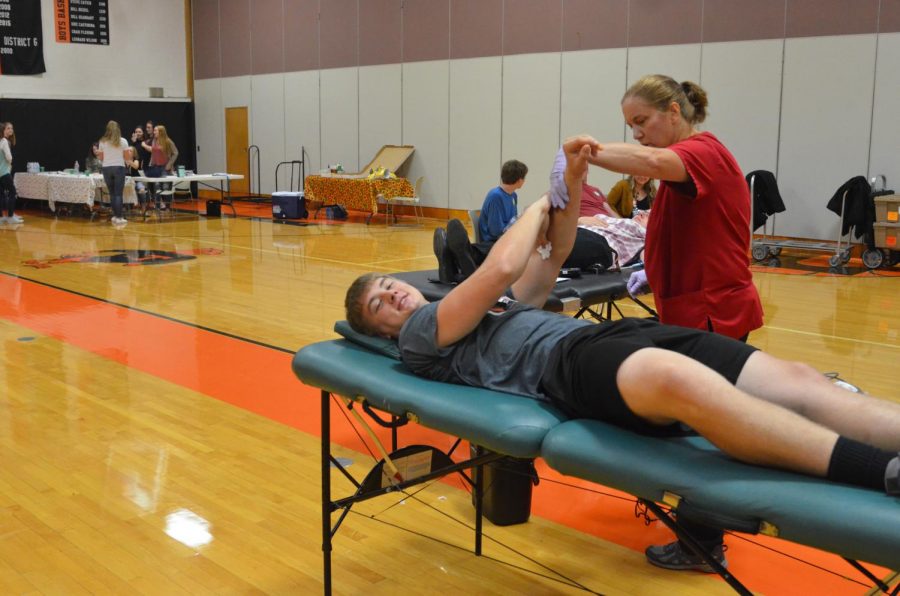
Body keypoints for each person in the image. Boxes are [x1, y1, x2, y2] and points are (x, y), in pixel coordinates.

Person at [345, 137, 900, 566]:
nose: (391, 293)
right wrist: (539, 200)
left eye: (386, 284)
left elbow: (550, 258)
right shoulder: (419, 335)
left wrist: (571, 185)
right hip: (567, 370)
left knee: (797, 379)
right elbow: (501, 267)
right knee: (677, 381)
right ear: (383, 332)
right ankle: (880, 471)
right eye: (378, 303)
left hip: (610, 339)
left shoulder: (490, 311)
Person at [559, 74, 766, 570]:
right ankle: (700, 532)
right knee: (703, 421)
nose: (639, 135)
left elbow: (652, 162)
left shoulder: (702, 153)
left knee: (706, 429)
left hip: (711, 313)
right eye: (630, 127)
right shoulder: (690, 164)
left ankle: (702, 543)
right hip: (699, 308)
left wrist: (589, 152)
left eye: (642, 122)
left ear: (674, 111)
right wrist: (656, 272)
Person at [478, 159, 528, 244]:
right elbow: (495, 231)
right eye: (524, 178)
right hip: (493, 243)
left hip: (505, 238)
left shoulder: (513, 195)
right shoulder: (495, 196)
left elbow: (512, 221)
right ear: (519, 180)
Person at [97, 120, 133, 225]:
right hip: (119, 168)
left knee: (112, 193)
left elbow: (101, 158)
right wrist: (130, 153)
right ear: (118, 129)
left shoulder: (102, 141)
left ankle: (115, 216)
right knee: (118, 194)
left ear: (107, 130)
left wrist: (100, 154)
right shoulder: (123, 141)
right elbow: (127, 158)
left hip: (106, 168)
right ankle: (119, 217)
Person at [142, 124, 178, 208]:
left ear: (161, 132)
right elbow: (153, 151)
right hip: (156, 167)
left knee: (165, 188)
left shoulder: (167, 141)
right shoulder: (154, 141)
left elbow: (175, 153)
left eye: (155, 130)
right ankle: (158, 207)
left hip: (165, 168)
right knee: (157, 187)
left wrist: (169, 164)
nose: (154, 132)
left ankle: (168, 207)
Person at [0, 122, 22, 225]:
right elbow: (9, 157)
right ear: (3, 130)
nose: (10, 130)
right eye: (8, 128)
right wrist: (10, 162)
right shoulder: (4, 141)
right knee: (12, 192)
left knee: (1, 195)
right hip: (4, 172)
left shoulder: (1, 141)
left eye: (11, 128)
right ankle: (10, 216)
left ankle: (2, 217)